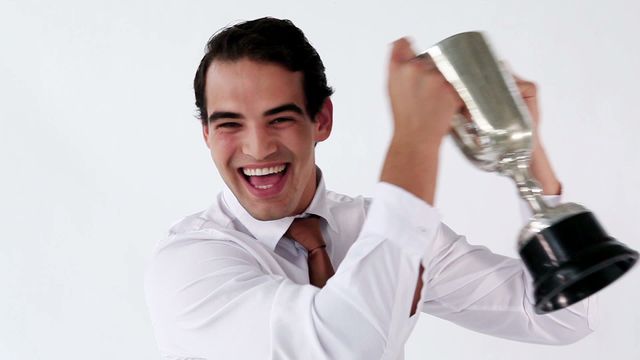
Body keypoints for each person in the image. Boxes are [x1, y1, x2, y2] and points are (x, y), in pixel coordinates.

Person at [144, 17, 595, 359]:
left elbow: (561, 316)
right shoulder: (189, 263)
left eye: (279, 118)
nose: (258, 148)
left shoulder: (380, 227)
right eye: (229, 124)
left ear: (321, 120)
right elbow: (342, 344)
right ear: (206, 134)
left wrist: (527, 153)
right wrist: (414, 139)